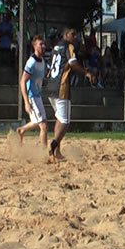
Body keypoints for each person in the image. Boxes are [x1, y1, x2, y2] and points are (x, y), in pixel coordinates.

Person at [47, 27, 95, 161]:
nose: (75, 37)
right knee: (65, 121)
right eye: (73, 34)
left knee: (59, 118)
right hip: (61, 87)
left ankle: (57, 152)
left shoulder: (56, 47)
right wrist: (86, 72)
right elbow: (73, 63)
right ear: (65, 35)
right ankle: (54, 145)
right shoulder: (69, 46)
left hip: (51, 86)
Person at [17, 35, 48, 147]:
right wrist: (26, 102)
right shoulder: (31, 62)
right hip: (32, 96)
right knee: (43, 125)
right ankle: (45, 153)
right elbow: (22, 82)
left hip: (37, 96)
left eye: (44, 44)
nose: (43, 46)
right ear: (35, 46)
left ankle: (22, 130)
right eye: (41, 44)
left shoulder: (42, 61)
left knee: (38, 121)